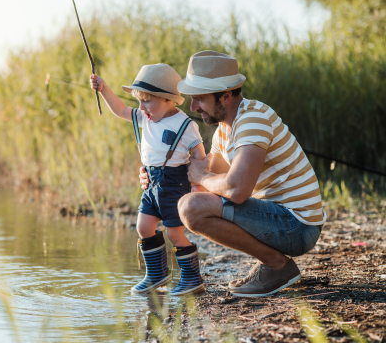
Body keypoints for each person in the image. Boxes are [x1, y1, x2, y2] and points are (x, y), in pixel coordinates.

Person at [139, 51, 325, 297]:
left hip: (298, 226)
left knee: (190, 208)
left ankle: (277, 266)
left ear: (226, 96)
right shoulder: (223, 132)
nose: (193, 107)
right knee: (191, 205)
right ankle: (273, 264)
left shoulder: (253, 120)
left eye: (200, 99)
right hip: (279, 217)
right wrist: (157, 177)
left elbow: (235, 190)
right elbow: (208, 187)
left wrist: (201, 177)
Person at [90, 63, 206, 295]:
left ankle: (193, 278)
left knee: (174, 233)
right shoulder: (145, 118)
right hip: (152, 184)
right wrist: (103, 89)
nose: (141, 107)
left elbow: (200, 158)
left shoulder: (185, 125)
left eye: (146, 100)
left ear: (167, 99)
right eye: (139, 100)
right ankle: (157, 275)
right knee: (143, 226)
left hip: (175, 184)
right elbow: (121, 109)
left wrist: (198, 187)